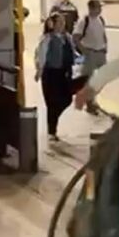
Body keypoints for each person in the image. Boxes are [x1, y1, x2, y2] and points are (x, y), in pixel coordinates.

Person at [35, 13, 75, 141]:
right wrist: (39, 70)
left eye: (63, 22)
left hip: (64, 72)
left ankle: (54, 118)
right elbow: (41, 55)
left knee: (67, 98)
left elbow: (73, 53)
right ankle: (52, 131)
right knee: (52, 102)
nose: (63, 24)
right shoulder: (47, 38)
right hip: (51, 73)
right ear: (52, 24)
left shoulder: (67, 37)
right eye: (59, 22)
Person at [74, 0, 108, 113]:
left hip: (100, 53)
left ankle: (92, 99)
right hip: (90, 53)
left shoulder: (100, 20)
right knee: (89, 79)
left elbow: (103, 34)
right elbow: (75, 37)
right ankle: (89, 103)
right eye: (98, 7)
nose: (100, 9)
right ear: (91, 8)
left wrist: (105, 46)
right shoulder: (84, 21)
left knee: (102, 78)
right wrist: (84, 51)